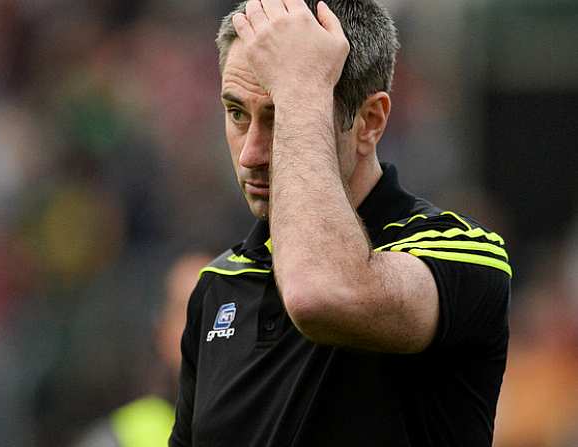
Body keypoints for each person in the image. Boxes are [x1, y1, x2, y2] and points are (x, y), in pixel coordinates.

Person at [169, 1, 512, 446]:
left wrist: (301, 86)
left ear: (370, 122)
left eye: (280, 115)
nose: (250, 154)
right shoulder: (219, 284)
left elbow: (321, 293)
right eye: (237, 113)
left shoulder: (460, 251)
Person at [72, 253, 210, 447]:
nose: (202, 328)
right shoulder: (117, 439)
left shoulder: (263, 426)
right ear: (161, 331)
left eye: (217, 312)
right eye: (184, 311)